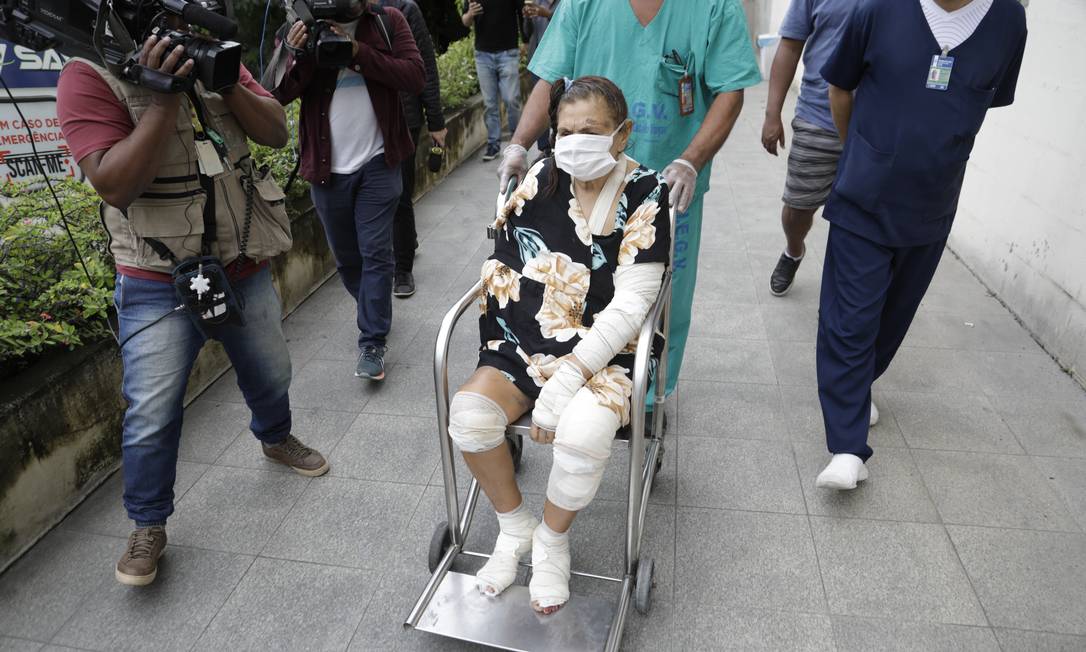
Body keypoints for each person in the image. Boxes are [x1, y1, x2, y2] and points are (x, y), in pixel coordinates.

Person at [57, 29, 330, 586]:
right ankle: (148, 522)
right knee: (150, 413)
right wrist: (160, 99)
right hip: (155, 276)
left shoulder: (212, 54)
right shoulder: (86, 74)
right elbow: (114, 183)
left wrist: (224, 84)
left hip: (241, 260)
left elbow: (275, 130)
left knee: (271, 368)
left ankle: (275, 437)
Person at [450, 77, 670, 614]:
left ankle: (551, 539)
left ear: (621, 135)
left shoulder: (647, 193)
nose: (574, 142)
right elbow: (505, 256)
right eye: (565, 131)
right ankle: (515, 527)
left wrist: (571, 374)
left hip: (608, 350)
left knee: (583, 435)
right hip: (525, 335)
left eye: (590, 131)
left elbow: (630, 307)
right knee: (470, 417)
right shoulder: (546, 175)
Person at [498, 0, 761, 418]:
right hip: (585, 182)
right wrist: (518, 144)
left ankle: (649, 393)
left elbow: (731, 91)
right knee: (569, 288)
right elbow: (550, 78)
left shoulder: (713, 7)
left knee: (661, 298)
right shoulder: (584, 4)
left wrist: (691, 160)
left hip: (669, 186)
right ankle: (560, 373)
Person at [814, 0, 1027, 489]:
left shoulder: (1008, 19)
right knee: (850, 319)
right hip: (864, 193)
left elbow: (981, 99)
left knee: (893, 317)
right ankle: (847, 448)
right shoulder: (877, 9)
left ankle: (857, 389)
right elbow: (839, 86)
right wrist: (862, 153)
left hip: (934, 200)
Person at [273, 1, 425, 381]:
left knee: (377, 254)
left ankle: (372, 339)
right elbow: (273, 93)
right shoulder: (297, 24)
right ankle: (373, 309)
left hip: (379, 160)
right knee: (348, 260)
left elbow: (414, 75)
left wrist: (358, 53)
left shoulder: (387, 21)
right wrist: (296, 53)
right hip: (326, 170)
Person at [761, 0, 854, 297]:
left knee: (861, 217)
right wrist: (772, 114)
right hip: (818, 118)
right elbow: (789, 46)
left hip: (876, 128)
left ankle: (849, 284)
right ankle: (793, 250)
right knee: (797, 210)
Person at [380, 0, 448, 299]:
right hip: (364, 121)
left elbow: (426, 69)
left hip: (403, 117)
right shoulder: (341, 14)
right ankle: (405, 244)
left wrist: (436, 121)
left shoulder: (404, 9)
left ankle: (402, 267)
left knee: (399, 195)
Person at [461, 0, 524, 161]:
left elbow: (522, 14)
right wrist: (470, 14)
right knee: (490, 104)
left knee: (511, 99)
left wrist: (525, 41)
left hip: (508, 52)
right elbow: (465, 21)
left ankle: (517, 142)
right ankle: (493, 144)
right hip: (483, 54)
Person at [521, 0, 559, 154]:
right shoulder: (537, 2)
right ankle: (544, 148)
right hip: (539, 61)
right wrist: (527, 18)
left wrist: (548, 14)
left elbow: (567, 24)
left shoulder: (566, 3)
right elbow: (527, 33)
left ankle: (558, 142)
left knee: (560, 103)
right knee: (541, 103)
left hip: (559, 60)